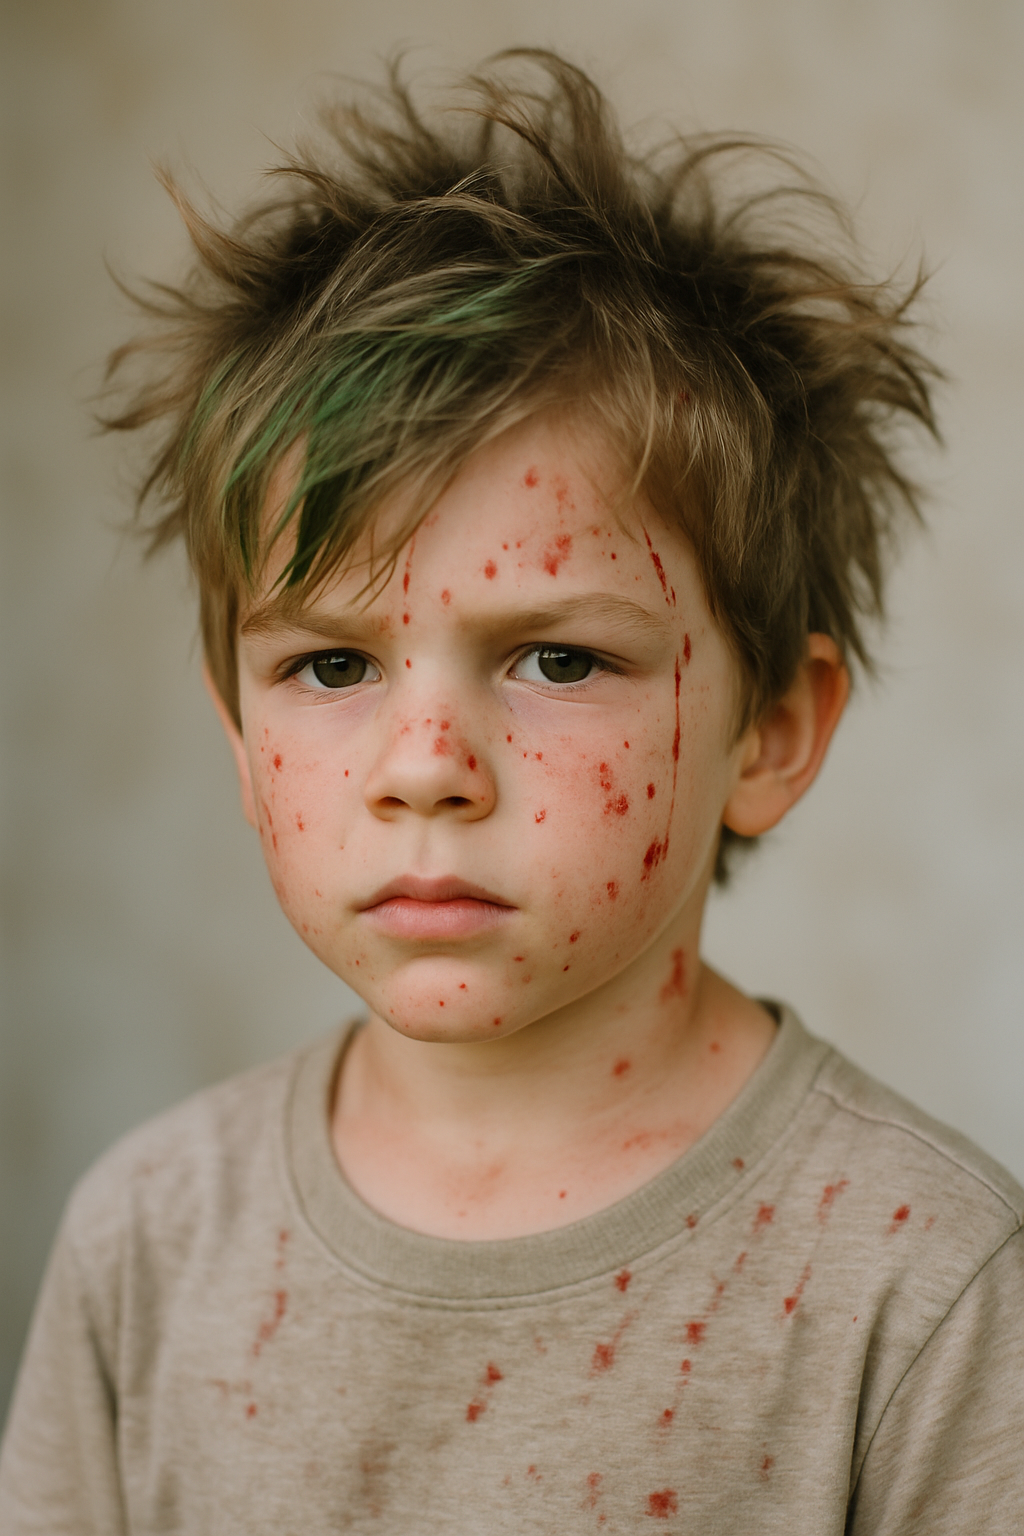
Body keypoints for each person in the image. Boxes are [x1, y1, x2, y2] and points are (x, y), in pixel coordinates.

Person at [1, 49, 1021, 1534]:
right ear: (235, 734)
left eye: (553, 658)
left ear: (773, 732)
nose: (425, 767)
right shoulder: (151, 1237)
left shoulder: (918, 1276)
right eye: (333, 669)